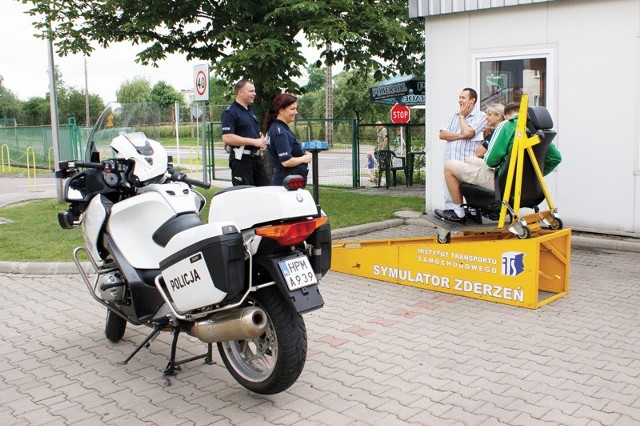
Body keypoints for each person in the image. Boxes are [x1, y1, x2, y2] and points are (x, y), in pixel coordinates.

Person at [435, 105, 562, 223]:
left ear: (505, 115)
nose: (487, 117)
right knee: (470, 160)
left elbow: (491, 160)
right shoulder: (535, 131)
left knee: (449, 165)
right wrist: (530, 176)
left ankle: (459, 213)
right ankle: (473, 209)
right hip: (526, 186)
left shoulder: (508, 125)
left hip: (502, 184)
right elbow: (556, 158)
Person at [439, 88, 487, 209]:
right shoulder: (453, 114)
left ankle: (470, 222)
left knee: (470, 200)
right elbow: (442, 135)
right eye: (459, 97)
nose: (460, 100)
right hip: (450, 163)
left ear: (472, 100)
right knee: (450, 199)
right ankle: (454, 222)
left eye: (463, 98)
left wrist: (462, 116)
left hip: (467, 164)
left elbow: (469, 132)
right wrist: (461, 136)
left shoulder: (480, 116)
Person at [221, 79, 269, 186]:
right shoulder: (230, 112)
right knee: (245, 195)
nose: (254, 94)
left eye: (254, 91)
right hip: (241, 160)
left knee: (265, 192)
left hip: (256, 159)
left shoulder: (250, 111)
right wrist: (254, 142)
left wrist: (261, 138)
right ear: (240, 92)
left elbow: (254, 131)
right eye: (251, 91)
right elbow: (227, 138)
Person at [264, 93, 312, 186]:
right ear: (281, 110)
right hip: (286, 180)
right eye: (292, 109)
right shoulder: (280, 132)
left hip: (289, 179)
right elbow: (286, 161)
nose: (296, 112)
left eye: (296, 109)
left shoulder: (279, 128)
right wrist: (304, 158)